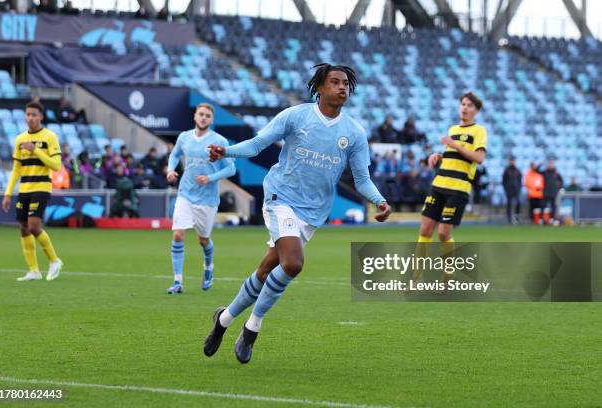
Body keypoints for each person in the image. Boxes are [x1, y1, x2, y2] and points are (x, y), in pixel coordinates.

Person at [203, 63, 391, 364]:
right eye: (335, 82)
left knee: (265, 272)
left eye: (346, 84)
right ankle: (252, 329)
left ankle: (223, 320)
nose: (342, 87)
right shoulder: (295, 116)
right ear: (319, 87)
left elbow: (362, 179)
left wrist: (380, 202)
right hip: (281, 198)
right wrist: (226, 152)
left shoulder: (354, 132)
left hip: (313, 212)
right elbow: (257, 145)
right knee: (293, 263)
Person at [165, 103, 236, 294]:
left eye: (207, 115)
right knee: (178, 234)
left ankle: (208, 267)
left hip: (207, 199)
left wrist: (210, 178)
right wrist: (171, 169)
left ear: (211, 120)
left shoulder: (219, 141)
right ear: (195, 117)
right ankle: (178, 282)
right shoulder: (184, 137)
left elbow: (231, 168)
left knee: (203, 240)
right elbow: (175, 155)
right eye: (201, 114)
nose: (203, 117)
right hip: (185, 193)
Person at [1, 101, 63, 281]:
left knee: (34, 226)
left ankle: (54, 260)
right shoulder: (20, 139)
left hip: (41, 187)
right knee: (23, 228)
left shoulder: (49, 137)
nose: (30, 118)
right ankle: (34, 271)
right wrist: (7, 193)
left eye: (34, 115)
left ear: (41, 117)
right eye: (28, 114)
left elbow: (56, 165)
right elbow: (16, 170)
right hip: (25, 189)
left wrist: (36, 150)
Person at [419, 92, 486, 244]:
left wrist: (454, 145)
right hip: (439, 185)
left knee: (443, 233)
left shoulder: (479, 131)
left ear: (476, 111)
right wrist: (438, 156)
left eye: (470, 105)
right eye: (463, 104)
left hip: (458, 189)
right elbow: (453, 155)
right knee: (425, 229)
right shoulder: (453, 130)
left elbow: (479, 158)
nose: (465, 108)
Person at [502, 156, 522, 224]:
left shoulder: (518, 170)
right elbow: (504, 181)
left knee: (518, 203)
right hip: (509, 190)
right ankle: (509, 218)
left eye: (513, 160)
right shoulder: (506, 170)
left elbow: (520, 180)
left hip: (516, 190)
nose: (512, 161)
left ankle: (516, 217)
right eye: (511, 160)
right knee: (509, 204)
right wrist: (506, 189)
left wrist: (519, 188)